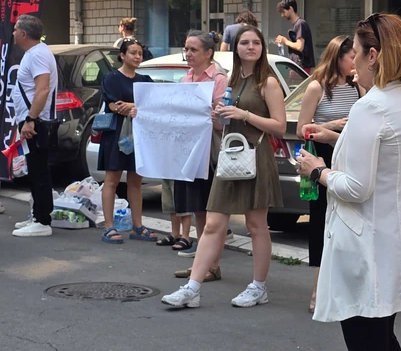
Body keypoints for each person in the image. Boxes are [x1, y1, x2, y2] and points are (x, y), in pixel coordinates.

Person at [296, 13, 401, 351]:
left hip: (365, 243)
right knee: (383, 338)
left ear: (373, 55)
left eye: (355, 51)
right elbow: (387, 153)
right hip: (395, 236)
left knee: (367, 349)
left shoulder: (371, 105)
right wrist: (333, 137)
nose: (352, 59)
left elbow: (356, 187)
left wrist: (318, 170)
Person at [161, 25, 286, 309]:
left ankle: (258, 286)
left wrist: (244, 114)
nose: (250, 47)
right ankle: (192, 288)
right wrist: (221, 115)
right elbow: (226, 121)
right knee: (213, 223)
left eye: (256, 42)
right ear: (236, 47)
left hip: (255, 156)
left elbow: (279, 126)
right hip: (230, 157)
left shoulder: (267, 82)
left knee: (256, 225)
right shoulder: (232, 79)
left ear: (262, 48)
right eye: (244, 42)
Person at [295, 34, 362, 313]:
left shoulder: (357, 86)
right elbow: (302, 128)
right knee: (322, 223)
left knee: (348, 222)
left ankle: (346, 289)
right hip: (323, 158)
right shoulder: (317, 87)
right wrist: (333, 123)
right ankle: (317, 290)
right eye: (351, 58)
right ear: (338, 57)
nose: (355, 63)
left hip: (350, 159)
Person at [171, 31, 228, 279]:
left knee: (211, 209)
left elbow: (221, 122)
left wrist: (209, 114)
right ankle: (202, 266)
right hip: (191, 152)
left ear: (208, 53)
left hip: (211, 152)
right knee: (198, 210)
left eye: (193, 49)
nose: (188, 54)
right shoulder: (186, 79)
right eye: (186, 49)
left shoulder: (218, 79)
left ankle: (212, 266)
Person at [97, 39, 158, 244]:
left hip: (139, 134)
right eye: (133, 53)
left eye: (140, 53)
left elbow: (152, 104)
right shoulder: (111, 78)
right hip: (115, 134)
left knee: (136, 180)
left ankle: (138, 226)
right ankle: (108, 226)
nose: (137, 57)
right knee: (111, 179)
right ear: (122, 55)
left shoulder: (146, 79)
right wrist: (135, 106)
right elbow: (115, 106)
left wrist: (132, 105)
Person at [10, 15, 58, 238]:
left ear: (24, 34)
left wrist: (30, 119)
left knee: (39, 170)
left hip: (35, 121)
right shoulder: (36, 52)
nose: (13, 33)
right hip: (32, 118)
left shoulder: (37, 54)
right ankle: (37, 214)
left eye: (15, 29)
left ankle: (42, 220)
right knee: (35, 168)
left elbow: (43, 89)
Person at [275, 0, 316, 72]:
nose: (282, 15)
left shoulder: (300, 24)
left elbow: (299, 46)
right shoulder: (297, 24)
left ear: (291, 9)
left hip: (302, 66)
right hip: (298, 65)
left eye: (283, 12)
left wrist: (285, 41)